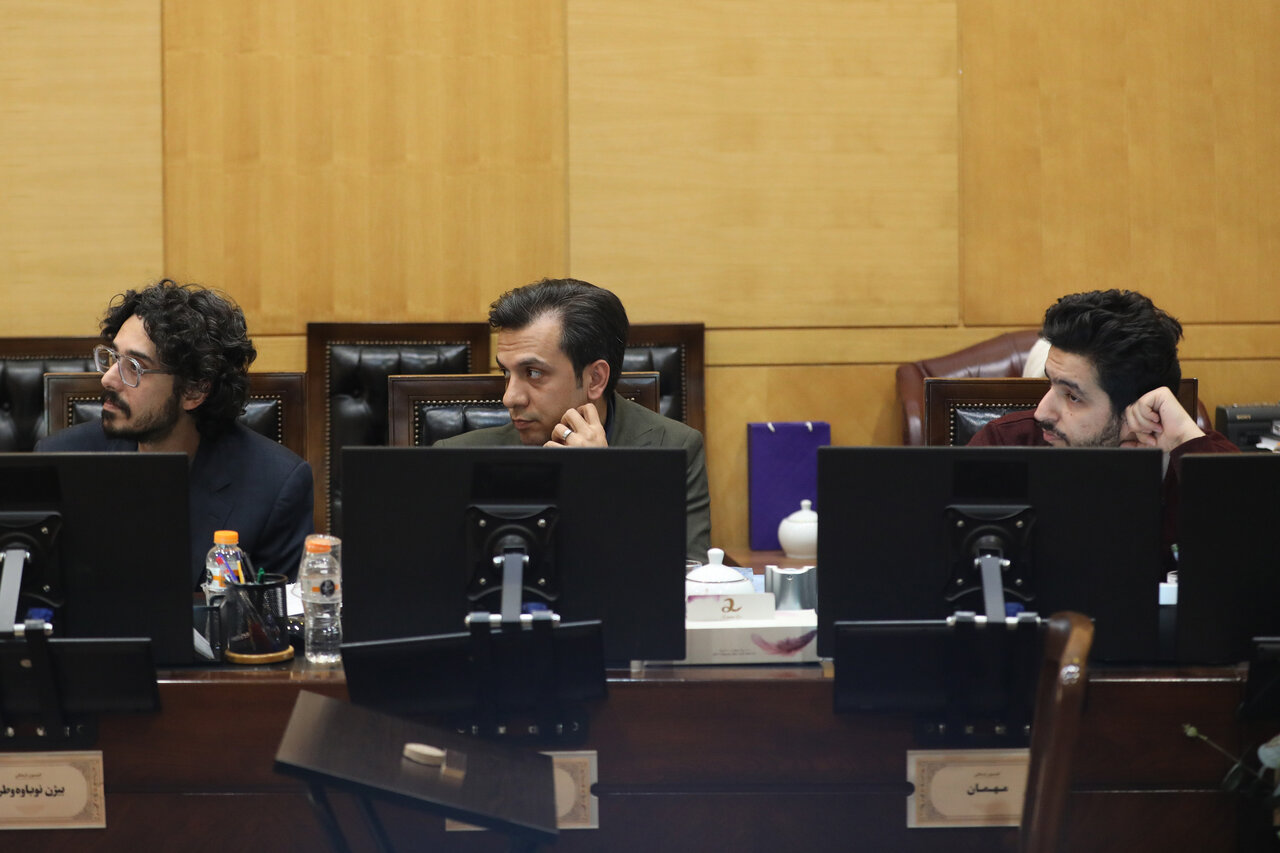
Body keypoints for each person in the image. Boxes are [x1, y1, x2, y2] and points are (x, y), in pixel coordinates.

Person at [37, 280, 314, 587]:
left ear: (194, 391)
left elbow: (275, 612)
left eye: (134, 366)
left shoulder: (275, 486)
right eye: (113, 358)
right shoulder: (59, 460)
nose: (108, 379)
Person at [435, 278, 712, 561]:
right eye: (506, 372)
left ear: (595, 379)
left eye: (533, 373)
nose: (509, 397)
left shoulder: (675, 448)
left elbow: (685, 574)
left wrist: (603, 483)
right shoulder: (454, 459)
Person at [969, 289, 1237, 560]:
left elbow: (1250, 554)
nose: (1042, 413)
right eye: (1050, 383)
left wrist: (1184, 441)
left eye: (1072, 397)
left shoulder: (1203, 460)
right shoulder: (1005, 445)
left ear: (1138, 409)